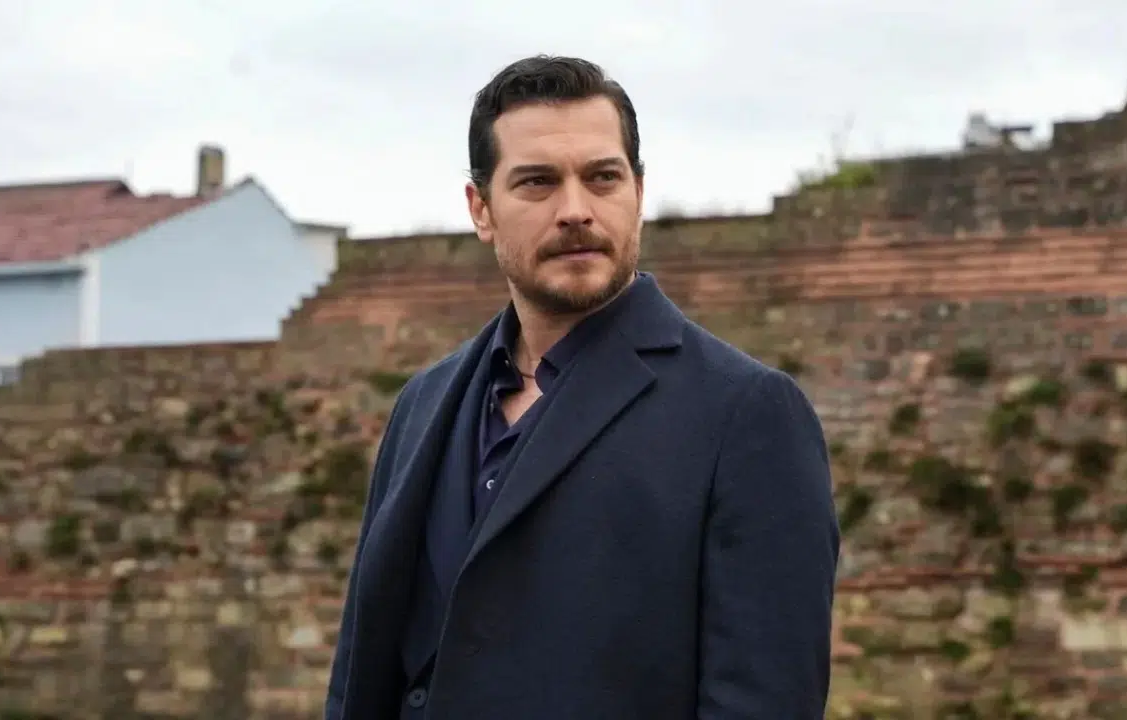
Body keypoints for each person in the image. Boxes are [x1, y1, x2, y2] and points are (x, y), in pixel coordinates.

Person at [324, 55, 839, 720]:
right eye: (537, 182)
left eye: (602, 178)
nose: (575, 211)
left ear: (638, 194)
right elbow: (362, 668)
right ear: (481, 210)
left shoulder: (748, 414)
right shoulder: (422, 403)